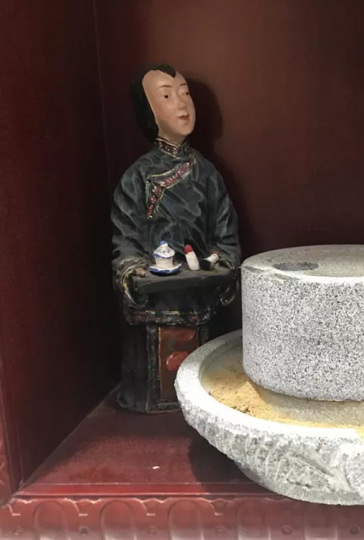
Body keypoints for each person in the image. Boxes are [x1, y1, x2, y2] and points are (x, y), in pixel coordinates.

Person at [111, 64, 241, 411]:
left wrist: (222, 263)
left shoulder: (208, 174)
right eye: (167, 96)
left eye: (185, 93)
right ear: (148, 110)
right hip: (156, 302)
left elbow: (226, 237)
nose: (182, 104)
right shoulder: (136, 178)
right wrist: (133, 270)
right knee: (156, 379)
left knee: (205, 382)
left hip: (201, 297)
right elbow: (125, 241)